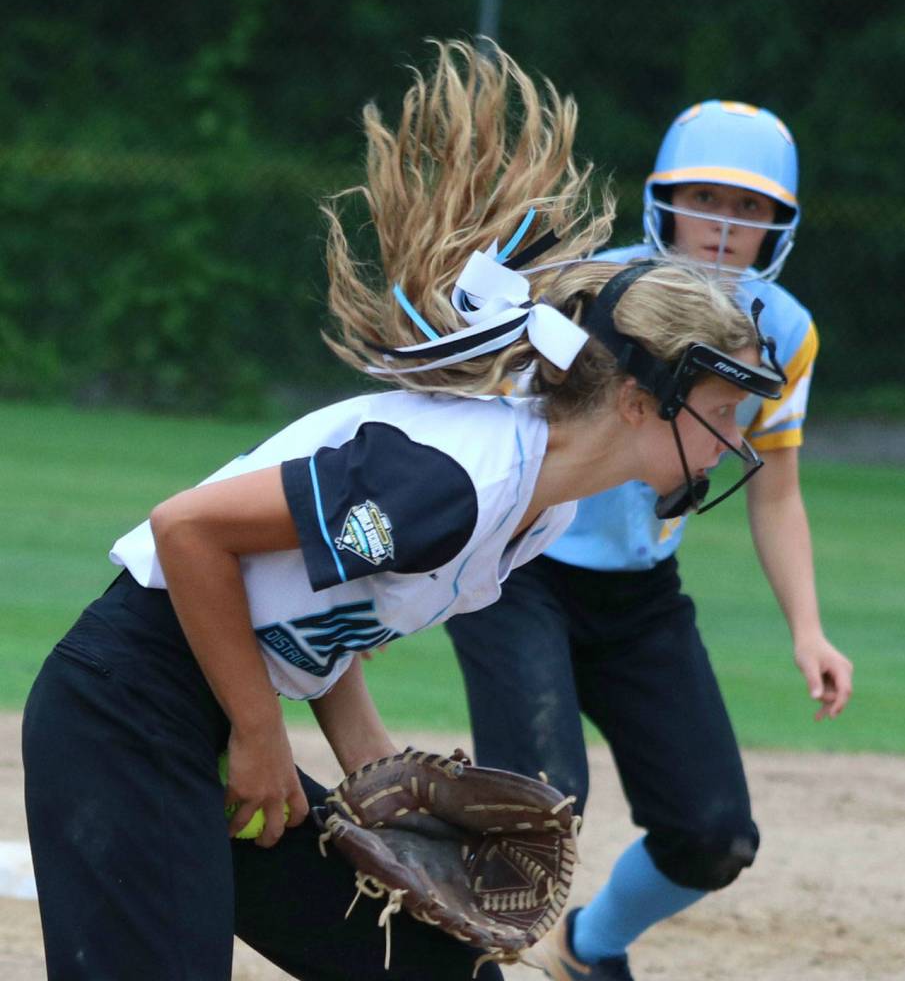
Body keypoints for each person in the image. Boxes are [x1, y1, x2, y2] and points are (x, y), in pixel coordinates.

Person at [20, 50, 782, 981]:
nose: (729, 446)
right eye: (719, 417)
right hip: (123, 710)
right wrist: (261, 736)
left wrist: (369, 762)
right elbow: (189, 532)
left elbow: (327, 612)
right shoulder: (459, 482)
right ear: (634, 401)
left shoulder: (533, 513)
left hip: (205, 710)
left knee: (438, 973)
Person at [446, 99, 855, 981]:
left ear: (778, 227)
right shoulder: (594, 291)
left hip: (639, 597)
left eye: (748, 208)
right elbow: (483, 419)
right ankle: (448, 962)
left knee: (713, 836)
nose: (721, 224)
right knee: (539, 810)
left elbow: (774, 492)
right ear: (660, 200)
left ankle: (590, 950)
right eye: (702, 197)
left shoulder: (786, 331)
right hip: (520, 571)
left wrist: (808, 630)